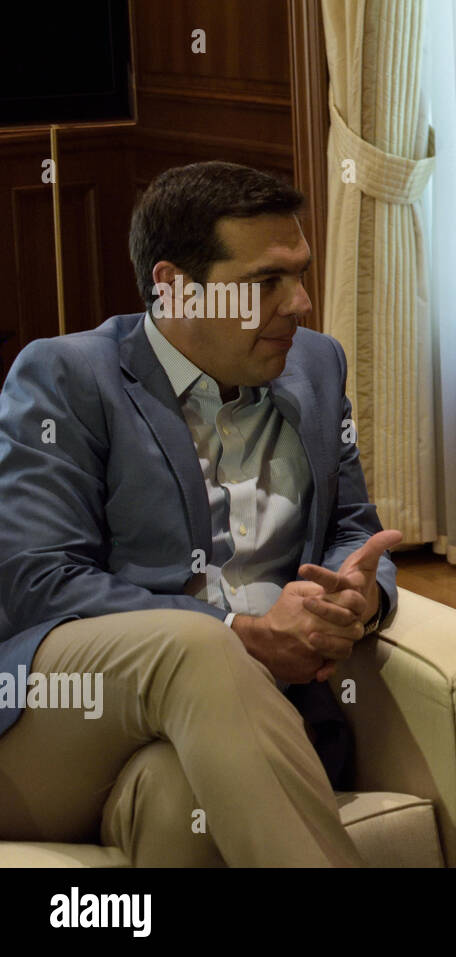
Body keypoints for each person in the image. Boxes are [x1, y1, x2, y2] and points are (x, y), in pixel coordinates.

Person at [0, 161, 400, 866]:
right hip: (60, 716)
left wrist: (358, 596)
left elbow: (352, 529)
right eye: (264, 284)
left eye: (300, 274)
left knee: (178, 796)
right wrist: (241, 630)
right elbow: (36, 581)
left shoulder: (316, 366)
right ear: (174, 287)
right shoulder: (68, 377)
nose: (300, 302)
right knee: (202, 647)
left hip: (224, 727)